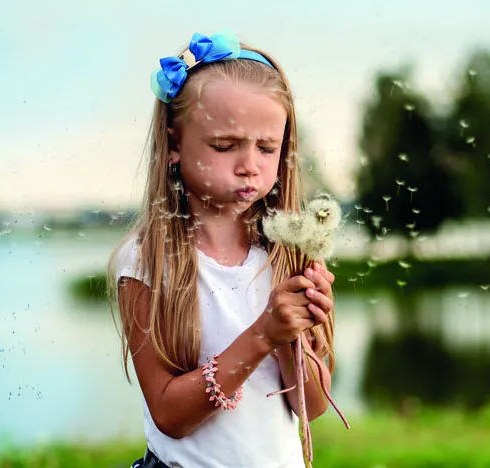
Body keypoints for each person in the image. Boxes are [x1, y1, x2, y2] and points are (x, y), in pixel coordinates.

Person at [107, 30, 337, 468]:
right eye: (225, 146)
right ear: (174, 145)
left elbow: (313, 405)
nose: (249, 165)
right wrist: (264, 334)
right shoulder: (147, 262)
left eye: (267, 148)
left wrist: (291, 335)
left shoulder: (287, 255)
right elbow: (170, 415)